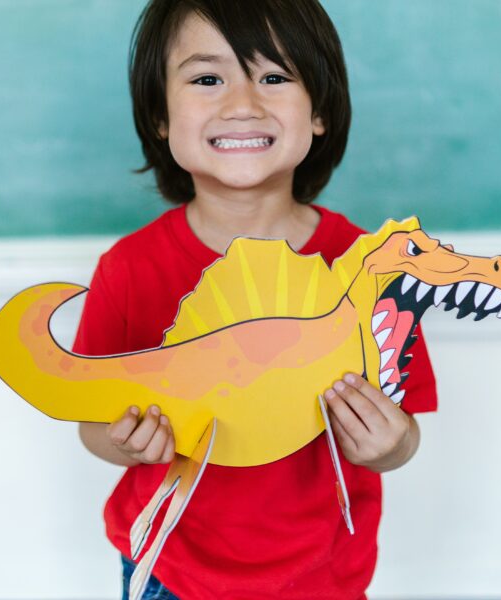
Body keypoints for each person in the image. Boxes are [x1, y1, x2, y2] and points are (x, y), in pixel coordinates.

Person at [73, 1, 438, 598]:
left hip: (324, 577)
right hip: (169, 571)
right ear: (160, 115)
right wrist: (123, 442)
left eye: (274, 77)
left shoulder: (370, 268)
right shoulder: (129, 269)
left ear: (319, 110)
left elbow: (404, 431)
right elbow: (91, 423)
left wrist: (390, 445)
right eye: (207, 78)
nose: (242, 104)